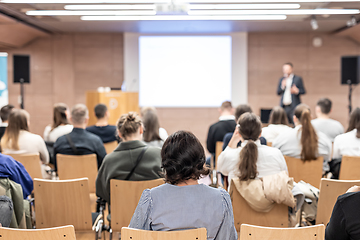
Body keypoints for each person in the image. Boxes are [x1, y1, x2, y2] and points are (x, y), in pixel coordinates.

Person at [129, 131, 237, 240]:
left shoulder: (151, 198)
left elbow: (132, 237)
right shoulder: (221, 199)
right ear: (200, 161)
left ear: (166, 164)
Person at [96, 112, 162, 203]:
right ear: (141, 129)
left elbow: (102, 193)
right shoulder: (158, 155)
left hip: (120, 216)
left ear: (119, 133)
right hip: (153, 215)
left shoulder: (109, 160)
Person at [218, 112, 288, 187]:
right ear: (260, 133)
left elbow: (221, 169)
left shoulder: (230, 156)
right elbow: (285, 177)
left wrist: (233, 141)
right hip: (269, 198)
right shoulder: (276, 154)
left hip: (238, 199)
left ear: (238, 132)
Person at [272, 104, 332, 173]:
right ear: (311, 118)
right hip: (316, 182)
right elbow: (327, 161)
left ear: (294, 119)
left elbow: (276, 161)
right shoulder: (324, 140)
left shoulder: (280, 139)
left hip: (289, 182)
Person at [54, 104, 106, 171]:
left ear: (71, 119)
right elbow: (104, 166)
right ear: (86, 120)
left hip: (66, 180)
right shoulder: (95, 141)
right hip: (90, 181)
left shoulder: (60, 142)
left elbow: (56, 167)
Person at [0, 109, 49, 177]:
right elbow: (46, 160)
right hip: (35, 180)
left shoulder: (4, 141)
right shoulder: (37, 139)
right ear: (26, 122)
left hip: (13, 181)